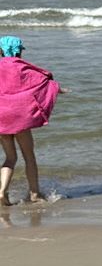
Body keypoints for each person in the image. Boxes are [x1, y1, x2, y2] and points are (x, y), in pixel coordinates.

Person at [0, 36, 63, 206]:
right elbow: (44, 78)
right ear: (19, 51)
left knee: (10, 158)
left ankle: (2, 191)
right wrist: (57, 89)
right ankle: (34, 194)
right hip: (19, 117)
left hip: (1, 118)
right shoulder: (21, 66)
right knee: (29, 156)